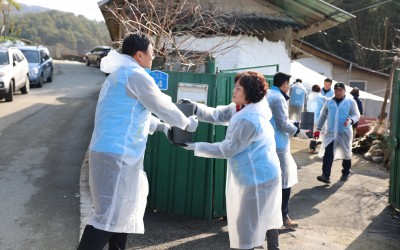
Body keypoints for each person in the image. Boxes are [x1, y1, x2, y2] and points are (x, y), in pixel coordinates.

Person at [77, 32, 198, 250]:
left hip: (108, 153)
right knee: (108, 218)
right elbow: (162, 105)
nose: (153, 58)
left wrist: (161, 126)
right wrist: (186, 124)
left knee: (120, 217)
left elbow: (132, 115)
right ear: (140, 54)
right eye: (151, 53)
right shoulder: (136, 75)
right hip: (117, 156)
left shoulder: (117, 75)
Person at [180, 71, 282, 249]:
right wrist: (195, 107)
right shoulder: (242, 107)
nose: (234, 91)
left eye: (239, 88)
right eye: (235, 86)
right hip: (261, 174)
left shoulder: (249, 119)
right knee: (266, 217)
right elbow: (217, 115)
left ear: (249, 93)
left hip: (259, 178)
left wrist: (195, 146)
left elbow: (228, 149)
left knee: (246, 227)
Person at [267, 72, 309, 230]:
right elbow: (283, 124)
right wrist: (298, 132)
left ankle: (274, 217)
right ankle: (283, 216)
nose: (290, 87)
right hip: (279, 145)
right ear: (284, 84)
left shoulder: (269, 94)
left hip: (269, 143)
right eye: (289, 84)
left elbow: (280, 119)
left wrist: (294, 124)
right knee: (285, 181)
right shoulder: (278, 98)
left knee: (273, 181)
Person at [313, 82, 360, 184]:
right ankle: (325, 175)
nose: (338, 92)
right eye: (336, 90)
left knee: (346, 153)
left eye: (340, 90)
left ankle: (346, 172)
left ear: (344, 91)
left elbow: (356, 115)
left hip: (344, 132)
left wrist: (350, 120)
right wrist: (318, 129)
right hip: (331, 133)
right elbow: (323, 116)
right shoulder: (329, 102)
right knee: (328, 153)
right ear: (334, 91)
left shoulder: (350, 102)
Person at [306, 84, 327, 153]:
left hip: (310, 118)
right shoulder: (322, 98)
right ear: (320, 90)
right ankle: (314, 148)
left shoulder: (309, 98)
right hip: (319, 119)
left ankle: (312, 147)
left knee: (314, 133)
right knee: (321, 133)